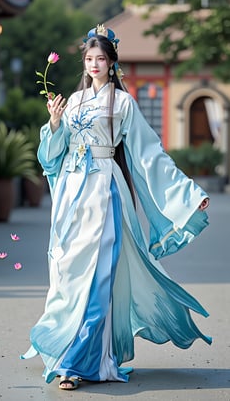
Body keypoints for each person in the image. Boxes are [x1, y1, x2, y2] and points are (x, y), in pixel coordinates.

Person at [21, 24, 211, 390]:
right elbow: (52, 157)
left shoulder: (123, 103)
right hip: (73, 194)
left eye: (101, 59)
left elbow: (149, 154)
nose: (94, 64)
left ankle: (78, 363)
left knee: (99, 276)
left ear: (112, 64)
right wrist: (55, 123)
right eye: (89, 59)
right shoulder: (72, 102)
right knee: (70, 275)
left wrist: (188, 194)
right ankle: (67, 349)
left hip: (105, 191)